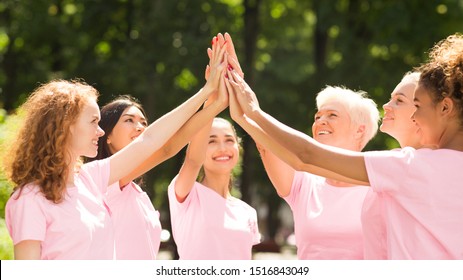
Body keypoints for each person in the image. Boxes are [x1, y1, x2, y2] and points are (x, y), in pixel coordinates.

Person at [226, 33, 463, 259]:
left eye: (417, 107)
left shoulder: (412, 166)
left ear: (445, 108)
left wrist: (252, 112)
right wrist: (245, 117)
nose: (414, 117)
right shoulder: (424, 167)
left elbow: (306, 156)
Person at [4, 40, 228, 259]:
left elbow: (151, 141)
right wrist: (207, 95)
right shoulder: (29, 199)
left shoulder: (90, 179)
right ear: (66, 127)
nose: (100, 131)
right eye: (93, 121)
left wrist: (208, 93)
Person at [251, 86, 379, 259]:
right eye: (317, 117)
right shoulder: (304, 182)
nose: (320, 121)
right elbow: (266, 143)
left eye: (332, 115)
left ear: (359, 130)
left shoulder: (379, 185)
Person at [167, 116, 261, 260]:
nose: (222, 148)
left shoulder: (247, 212)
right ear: (198, 149)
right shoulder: (187, 195)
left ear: (238, 147)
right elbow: (192, 161)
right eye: (211, 141)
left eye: (229, 140)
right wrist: (213, 99)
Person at [361, 71, 423, 259]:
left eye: (399, 100)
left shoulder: (409, 165)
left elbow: (307, 158)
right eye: (391, 99)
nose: (386, 106)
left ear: (422, 110)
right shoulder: (399, 163)